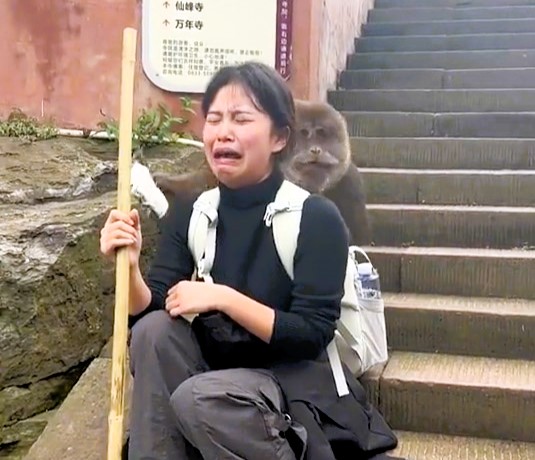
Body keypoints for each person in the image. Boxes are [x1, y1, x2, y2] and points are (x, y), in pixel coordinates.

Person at [99, 62, 397, 460]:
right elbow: (151, 307)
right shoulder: (192, 212)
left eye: (241, 119)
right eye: (214, 119)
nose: (223, 131)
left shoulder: (316, 217)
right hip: (218, 377)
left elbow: (310, 334)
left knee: (202, 399)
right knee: (154, 332)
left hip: (291, 388)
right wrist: (131, 265)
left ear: (278, 137)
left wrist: (223, 298)